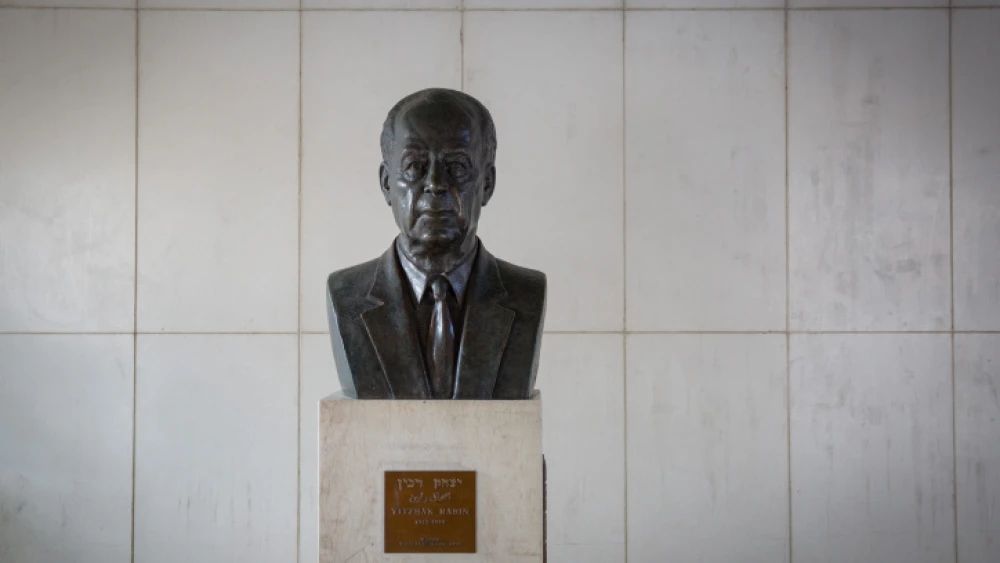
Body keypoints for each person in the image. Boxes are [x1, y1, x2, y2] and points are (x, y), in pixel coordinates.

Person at [326, 88, 546, 400]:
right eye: (414, 166)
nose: (435, 184)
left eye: (457, 167)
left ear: (487, 184)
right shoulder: (347, 295)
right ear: (387, 184)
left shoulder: (526, 294)